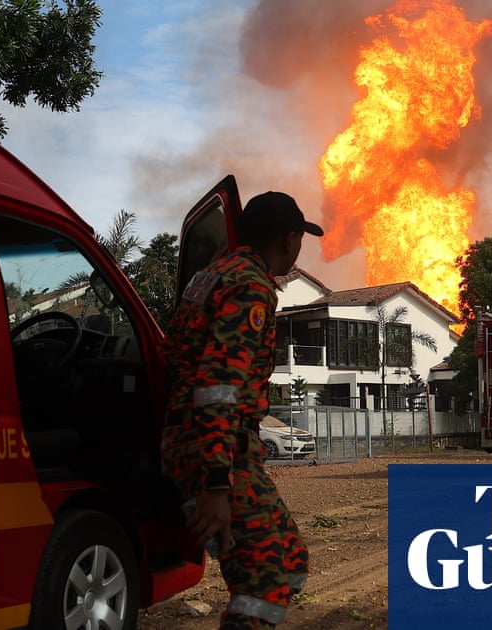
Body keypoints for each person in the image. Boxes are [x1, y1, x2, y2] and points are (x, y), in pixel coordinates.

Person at [161, 191, 322, 629]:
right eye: (301, 239)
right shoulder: (250, 285)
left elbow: (174, 356)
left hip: (220, 447)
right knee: (263, 583)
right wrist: (216, 484)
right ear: (290, 240)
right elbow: (217, 387)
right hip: (217, 453)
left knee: (290, 559)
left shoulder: (211, 275)